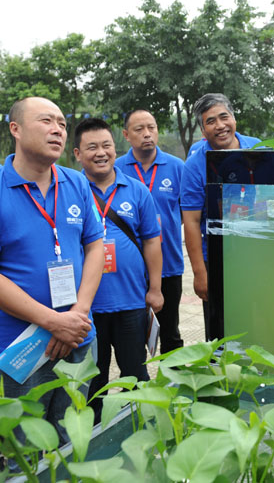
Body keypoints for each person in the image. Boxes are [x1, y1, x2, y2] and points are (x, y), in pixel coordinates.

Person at [0, 97, 104, 443]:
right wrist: (52, 322)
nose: (58, 129)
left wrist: (78, 313)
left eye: (61, 122)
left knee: (73, 437)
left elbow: (94, 247)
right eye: (46, 121)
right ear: (15, 129)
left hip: (79, 337)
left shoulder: (75, 182)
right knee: (26, 448)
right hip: (23, 348)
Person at [73, 118, 163, 423]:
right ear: (77, 153)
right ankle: (93, 441)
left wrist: (155, 288)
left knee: (135, 374)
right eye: (92, 147)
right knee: (92, 382)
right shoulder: (69, 191)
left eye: (106, 145)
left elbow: (152, 241)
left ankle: (139, 430)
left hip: (131, 303)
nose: (101, 153)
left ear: (116, 147)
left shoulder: (136, 191)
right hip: (86, 309)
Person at [180, 93, 261, 340]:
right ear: (203, 130)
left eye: (224, 117)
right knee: (220, 332)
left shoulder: (258, 149)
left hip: (257, 252)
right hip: (216, 257)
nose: (220, 126)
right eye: (210, 121)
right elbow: (191, 222)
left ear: (234, 118)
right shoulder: (195, 165)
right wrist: (199, 273)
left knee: (258, 320)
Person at [115, 110, 185, 354]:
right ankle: (137, 385)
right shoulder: (115, 169)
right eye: (139, 129)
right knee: (131, 337)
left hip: (169, 265)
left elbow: (189, 214)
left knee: (170, 334)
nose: (147, 134)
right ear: (126, 135)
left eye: (151, 127)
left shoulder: (177, 168)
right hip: (128, 270)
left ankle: (173, 386)